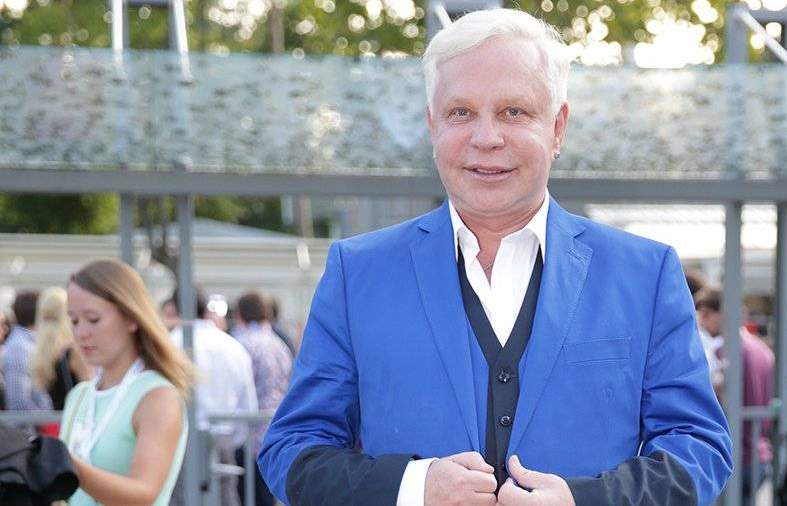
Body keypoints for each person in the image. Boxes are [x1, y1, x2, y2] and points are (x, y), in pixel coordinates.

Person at [259, 9, 732, 506]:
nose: (486, 138)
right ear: (432, 125)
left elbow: (699, 447)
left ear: (558, 127)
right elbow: (291, 450)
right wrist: (414, 487)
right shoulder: (357, 274)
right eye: (461, 112)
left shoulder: (644, 276)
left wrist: (586, 500)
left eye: (513, 111)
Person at [58, 259, 195, 505]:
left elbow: (143, 494)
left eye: (93, 319)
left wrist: (65, 465)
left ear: (132, 318)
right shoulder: (79, 396)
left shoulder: (157, 396)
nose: (81, 332)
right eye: (74, 320)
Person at [165, 287, 258, 506]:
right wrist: (234, 438)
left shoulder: (169, 344)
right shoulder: (232, 346)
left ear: (174, 308)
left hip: (179, 443)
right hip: (223, 440)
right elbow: (248, 404)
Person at [694, 287, 773, 505]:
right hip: (759, 452)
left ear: (719, 314)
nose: (701, 322)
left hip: (733, 454)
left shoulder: (726, 352)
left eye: (704, 314)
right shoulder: (762, 349)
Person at [232, 291, 292, 506]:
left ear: (240, 315)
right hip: (276, 428)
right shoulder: (280, 344)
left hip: (250, 434)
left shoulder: (243, 343)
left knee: (248, 495)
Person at [31, 287, 93, 412]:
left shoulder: (39, 352)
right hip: (76, 417)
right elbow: (90, 389)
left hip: (57, 418)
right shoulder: (73, 350)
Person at [3, 290, 53, 411]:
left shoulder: (28, 344)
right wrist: (46, 420)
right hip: (33, 422)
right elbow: (19, 403)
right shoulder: (20, 348)